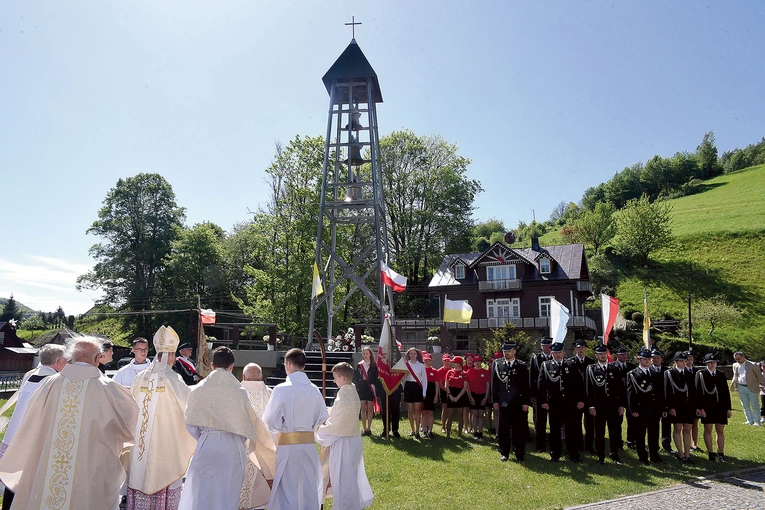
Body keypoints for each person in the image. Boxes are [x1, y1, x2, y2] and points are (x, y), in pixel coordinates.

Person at [0, 336, 138, 510]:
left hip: (50, 465)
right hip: (90, 466)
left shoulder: (49, 384)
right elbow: (129, 423)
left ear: (71, 357)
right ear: (97, 359)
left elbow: (33, 423)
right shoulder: (109, 388)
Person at [180, 346, 267, 510]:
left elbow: (190, 422)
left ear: (212, 365)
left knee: (202, 493)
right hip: (232, 447)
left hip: (207, 443)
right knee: (228, 494)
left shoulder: (199, 390)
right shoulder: (239, 392)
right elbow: (247, 423)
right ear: (232, 366)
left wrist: (206, 436)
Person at [127, 326, 197, 510]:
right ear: (171, 356)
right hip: (164, 444)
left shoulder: (140, 377)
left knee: (140, 475)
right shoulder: (172, 378)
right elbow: (189, 406)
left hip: (140, 446)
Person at [0, 344, 67, 509]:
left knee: (14, 481)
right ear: (59, 361)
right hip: (31, 439)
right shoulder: (52, 382)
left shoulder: (32, 375)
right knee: (25, 483)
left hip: (14, 435)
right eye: (66, 360)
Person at [263, 348, 329, 510]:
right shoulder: (314, 389)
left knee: (288, 488)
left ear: (288, 364)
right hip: (308, 447)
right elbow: (322, 417)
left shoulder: (281, 389)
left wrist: (280, 427)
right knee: (307, 487)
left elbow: (270, 420)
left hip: (288, 446)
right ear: (303, 366)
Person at [316, 362, 374, 510]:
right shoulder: (352, 390)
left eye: (335, 378)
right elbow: (340, 414)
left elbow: (336, 423)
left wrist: (318, 429)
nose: (334, 381)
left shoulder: (344, 394)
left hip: (343, 442)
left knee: (342, 480)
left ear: (342, 377)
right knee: (350, 478)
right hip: (352, 439)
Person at [239, 363, 278, 510]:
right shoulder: (270, 393)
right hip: (265, 449)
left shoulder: (237, 392)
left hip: (242, 449)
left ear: (243, 377)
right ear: (261, 377)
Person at [538, 342, 584, 463]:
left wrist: (580, 400)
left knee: (571, 430)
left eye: (559, 352)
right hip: (554, 404)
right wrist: (544, 401)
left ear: (563, 352)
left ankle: (573, 454)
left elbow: (579, 384)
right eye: (555, 353)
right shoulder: (546, 366)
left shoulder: (571, 364)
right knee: (555, 431)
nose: (557, 355)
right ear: (551, 353)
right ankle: (555, 454)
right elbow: (542, 385)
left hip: (570, 404)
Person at [586, 344, 625, 465]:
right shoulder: (591, 369)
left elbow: (620, 388)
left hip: (613, 406)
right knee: (599, 432)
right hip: (599, 406)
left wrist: (621, 405)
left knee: (614, 431)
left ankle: (614, 453)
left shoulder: (615, 368)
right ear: (596, 355)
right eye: (600, 354)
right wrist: (591, 405)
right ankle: (600, 455)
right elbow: (589, 388)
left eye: (604, 354)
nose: (603, 356)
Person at [491, 341, 530, 462]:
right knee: (504, 429)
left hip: (518, 403)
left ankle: (519, 454)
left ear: (514, 351)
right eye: (504, 351)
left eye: (508, 351)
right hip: (504, 403)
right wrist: (495, 400)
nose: (506, 353)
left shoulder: (522, 366)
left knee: (519, 430)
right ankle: (504, 453)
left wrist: (525, 403)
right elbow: (495, 384)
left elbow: (525, 386)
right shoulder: (497, 364)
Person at [626, 348, 665, 464]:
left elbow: (659, 393)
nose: (648, 361)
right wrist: (633, 409)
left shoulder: (655, 373)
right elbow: (630, 393)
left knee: (654, 433)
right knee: (640, 434)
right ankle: (642, 456)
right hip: (640, 409)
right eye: (645, 359)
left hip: (654, 409)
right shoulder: (633, 374)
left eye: (649, 359)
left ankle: (654, 455)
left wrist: (662, 407)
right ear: (639, 359)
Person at [696, 353, 733, 462]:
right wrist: (700, 407)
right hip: (707, 406)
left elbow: (726, 392)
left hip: (720, 406)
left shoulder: (721, 374)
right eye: (710, 363)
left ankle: (721, 453)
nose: (712, 364)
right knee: (708, 429)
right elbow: (698, 392)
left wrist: (728, 408)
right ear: (706, 363)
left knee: (720, 430)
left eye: (714, 362)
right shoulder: (701, 374)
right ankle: (711, 453)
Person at [663, 351, 699, 463]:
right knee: (678, 428)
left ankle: (687, 454)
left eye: (685, 361)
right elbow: (666, 391)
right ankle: (681, 453)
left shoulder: (689, 374)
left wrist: (696, 406)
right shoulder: (669, 373)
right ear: (676, 362)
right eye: (681, 361)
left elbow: (693, 391)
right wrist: (669, 407)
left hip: (688, 406)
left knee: (687, 429)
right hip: (676, 406)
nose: (684, 363)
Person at [569, 339, 595, 454]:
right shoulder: (570, 362)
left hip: (589, 397)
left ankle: (589, 445)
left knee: (590, 424)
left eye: (582, 347)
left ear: (585, 348)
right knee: (576, 423)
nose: (580, 350)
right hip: (575, 398)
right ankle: (578, 445)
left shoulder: (591, 362)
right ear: (575, 349)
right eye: (578, 347)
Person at [529, 336, 553, 452]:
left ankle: (554, 443)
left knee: (554, 420)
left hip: (553, 394)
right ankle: (540, 445)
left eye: (548, 345)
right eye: (544, 345)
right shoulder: (535, 358)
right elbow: (532, 376)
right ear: (541, 346)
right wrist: (533, 395)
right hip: (539, 394)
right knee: (540, 421)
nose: (546, 347)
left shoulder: (556, 356)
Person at [612, 346, 635, 451]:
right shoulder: (612, 366)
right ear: (616, 355)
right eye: (621, 354)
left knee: (632, 420)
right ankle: (618, 442)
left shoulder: (632, 367)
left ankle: (631, 441)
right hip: (617, 398)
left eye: (625, 354)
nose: (624, 356)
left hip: (630, 397)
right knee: (617, 421)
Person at [730, 351, 763, 426]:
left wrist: (756, 384)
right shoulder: (735, 365)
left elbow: (759, 376)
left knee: (755, 405)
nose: (738, 360)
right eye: (736, 359)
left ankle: (757, 421)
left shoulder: (753, 365)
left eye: (739, 358)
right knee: (745, 405)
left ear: (743, 357)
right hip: (741, 387)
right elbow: (735, 375)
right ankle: (749, 420)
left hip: (752, 387)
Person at [401, 348, 427, 439]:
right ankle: (412, 430)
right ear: (408, 354)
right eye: (411, 353)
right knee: (410, 410)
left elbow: (424, 379)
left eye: (414, 353)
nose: (412, 355)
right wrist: (403, 390)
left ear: (417, 355)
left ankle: (417, 431)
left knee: (417, 410)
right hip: (408, 387)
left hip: (417, 387)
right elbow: (403, 379)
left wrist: (424, 392)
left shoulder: (421, 365)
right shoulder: (405, 364)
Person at [651, 349, 674, 453]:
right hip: (653, 402)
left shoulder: (667, 371)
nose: (655, 360)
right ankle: (654, 446)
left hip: (665, 402)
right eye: (653, 358)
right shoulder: (648, 370)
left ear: (662, 359)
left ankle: (666, 444)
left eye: (657, 358)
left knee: (666, 425)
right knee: (653, 427)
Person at [353, 347, 378, 436]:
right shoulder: (360, 365)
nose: (365, 355)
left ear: (370, 354)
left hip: (371, 386)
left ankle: (369, 428)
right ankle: (364, 428)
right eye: (364, 353)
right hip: (362, 387)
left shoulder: (374, 365)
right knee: (363, 408)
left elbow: (376, 378)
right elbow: (356, 378)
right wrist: (357, 387)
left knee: (370, 408)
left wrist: (376, 388)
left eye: (367, 353)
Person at [444, 356, 469, 438]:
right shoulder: (449, 372)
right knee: (450, 415)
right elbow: (446, 385)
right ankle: (448, 434)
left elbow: (465, 387)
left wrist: (458, 397)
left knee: (460, 414)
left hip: (461, 394)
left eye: (454, 362)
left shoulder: (464, 373)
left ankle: (459, 434)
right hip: (451, 393)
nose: (453, 363)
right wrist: (450, 395)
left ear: (459, 364)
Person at [467, 355, 490, 439]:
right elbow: (467, 386)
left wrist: (486, 397)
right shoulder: (470, 371)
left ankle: (480, 432)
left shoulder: (485, 372)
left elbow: (488, 385)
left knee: (480, 414)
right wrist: (470, 397)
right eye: (476, 361)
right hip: (473, 394)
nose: (477, 363)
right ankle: (474, 431)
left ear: (481, 362)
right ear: (473, 362)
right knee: (474, 414)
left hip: (482, 395)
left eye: (479, 361)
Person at [421, 352, 439, 438]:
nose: (427, 362)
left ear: (431, 361)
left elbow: (437, 384)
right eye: (425, 360)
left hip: (431, 393)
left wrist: (436, 396)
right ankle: (424, 431)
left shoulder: (435, 371)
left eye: (428, 360)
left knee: (431, 413)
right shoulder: (421, 370)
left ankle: (430, 431)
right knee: (424, 413)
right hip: (423, 393)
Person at [436, 354, 452, 434]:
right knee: (444, 408)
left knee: (450, 409)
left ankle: (449, 425)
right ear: (443, 361)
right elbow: (439, 383)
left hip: (451, 391)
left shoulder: (452, 370)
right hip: (443, 391)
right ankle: (443, 426)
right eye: (445, 360)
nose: (446, 362)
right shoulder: (440, 370)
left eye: (448, 360)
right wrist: (446, 390)